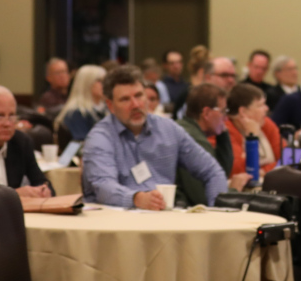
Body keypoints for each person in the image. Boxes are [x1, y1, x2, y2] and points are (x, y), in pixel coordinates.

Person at [83, 65, 227, 210]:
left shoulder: (168, 129)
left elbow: (212, 171)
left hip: (165, 218)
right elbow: (102, 187)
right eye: (125, 99)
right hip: (117, 223)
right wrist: (136, 198)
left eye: (139, 95)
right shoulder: (100, 138)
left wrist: (216, 209)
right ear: (110, 105)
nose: (136, 105)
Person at [176, 83, 249, 205]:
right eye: (223, 111)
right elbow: (203, 198)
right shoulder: (193, 140)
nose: (226, 118)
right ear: (206, 113)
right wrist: (234, 189)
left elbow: (221, 171)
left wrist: (223, 134)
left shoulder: (189, 129)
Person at [225, 83, 282, 178]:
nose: (266, 108)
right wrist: (252, 136)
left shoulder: (265, 123)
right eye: (261, 105)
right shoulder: (226, 130)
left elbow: (290, 158)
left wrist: (264, 171)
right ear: (243, 111)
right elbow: (239, 172)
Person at [54, 64, 107, 142]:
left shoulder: (106, 110)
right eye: (100, 81)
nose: (105, 85)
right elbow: (81, 146)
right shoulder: (77, 114)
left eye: (106, 81)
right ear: (87, 83)